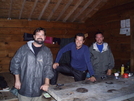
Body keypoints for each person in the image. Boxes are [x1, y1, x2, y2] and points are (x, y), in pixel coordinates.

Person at [10, 27, 54, 101]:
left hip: (38, 88)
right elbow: (15, 64)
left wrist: (46, 83)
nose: (40, 37)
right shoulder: (23, 49)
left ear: (45, 37)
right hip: (24, 86)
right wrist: (17, 80)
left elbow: (48, 68)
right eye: (38, 34)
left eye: (42, 35)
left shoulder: (47, 51)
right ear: (34, 36)